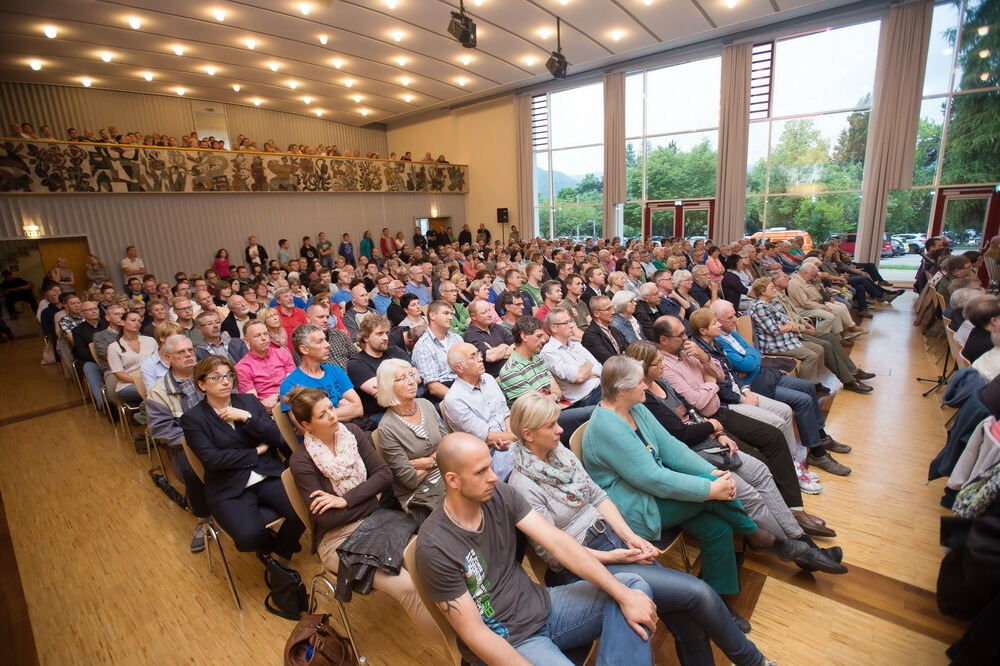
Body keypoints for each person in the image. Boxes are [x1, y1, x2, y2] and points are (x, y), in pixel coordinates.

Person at [507, 392, 777, 666]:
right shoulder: (522, 485)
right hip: (582, 565)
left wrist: (630, 538)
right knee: (697, 593)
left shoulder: (558, 453)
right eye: (551, 425)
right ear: (528, 434)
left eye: (557, 422)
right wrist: (617, 555)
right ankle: (753, 660)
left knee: (685, 615)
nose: (560, 430)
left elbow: (598, 496)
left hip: (612, 539)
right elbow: (554, 555)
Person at [414, 431, 659, 665]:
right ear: (453, 480)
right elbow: (475, 634)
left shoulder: (497, 493)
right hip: (512, 640)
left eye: (490, 466)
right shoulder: (435, 547)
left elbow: (556, 542)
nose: (493, 477)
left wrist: (623, 595)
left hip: (543, 605)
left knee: (632, 588)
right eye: (480, 472)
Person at [582, 356, 769, 616]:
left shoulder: (634, 407)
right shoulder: (606, 426)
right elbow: (653, 479)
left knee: (717, 527)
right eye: (639, 383)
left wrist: (710, 472)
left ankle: (718, 602)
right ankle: (754, 532)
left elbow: (671, 448)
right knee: (714, 497)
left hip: (656, 491)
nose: (646, 386)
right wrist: (710, 489)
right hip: (634, 507)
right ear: (622, 390)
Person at [625, 341, 845, 556]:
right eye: (658, 363)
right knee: (748, 491)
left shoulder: (662, 383)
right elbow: (680, 432)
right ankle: (800, 549)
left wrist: (718, 433)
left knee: (761, 470)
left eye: (662, 360)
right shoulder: (644, 400)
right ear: (642, 369)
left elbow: (694, 407)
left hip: (707, 433)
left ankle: (797, 528)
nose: (663, 365)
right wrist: (712, 420)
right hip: (691, 450)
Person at [181, 356, 304, 565]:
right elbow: (213, 460)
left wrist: (247, 417)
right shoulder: (193, 419)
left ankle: (277, 556)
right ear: (201, 384)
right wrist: (256, 451)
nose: (226, 381)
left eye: (229, 376)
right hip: (228, 486)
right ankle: (268, 545)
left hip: (267, 474)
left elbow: (276, 437)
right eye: (216, 377)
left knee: (304, 511)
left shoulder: (247, 402)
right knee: (248, 539)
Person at [145, 334, 210, 553]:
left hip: (221, 434)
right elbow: (162, 429)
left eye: (190, 350)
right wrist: (198, 439)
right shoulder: (159, 391)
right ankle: (203, 519)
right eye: (181, 352)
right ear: (168, 358)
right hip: (188, 445)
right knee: (192, 471)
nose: (189, 355)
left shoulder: (209, 375)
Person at [374, 359, 447, 520]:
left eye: (411, 375)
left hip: (446, 475)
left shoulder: (426, 405)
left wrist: (428, 461)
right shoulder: (387, 428)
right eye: (402, 378)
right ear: (388, 386)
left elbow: (448, 445)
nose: (411, 382)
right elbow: (410, 480)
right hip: (419, 496)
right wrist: (439, 456)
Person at [441, 343, 517, 479]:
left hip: (509, 439)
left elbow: (505, 413)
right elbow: (485, 436)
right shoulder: (455, 399)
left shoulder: (488, 379)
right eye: (473, 357)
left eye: (479, 354)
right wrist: (520, 436)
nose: (480, 359)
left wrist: (512, 435)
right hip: (488, 454)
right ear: (459, 368)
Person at [746, 278, 826, 383]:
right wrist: (790, 326)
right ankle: (804, 386)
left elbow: (787, 320)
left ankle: (814, 382)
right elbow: (774, 330)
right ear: (762, 291)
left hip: (787, 340)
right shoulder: (760, 307)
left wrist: (791, 325)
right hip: (774, 345)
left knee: (819, 349)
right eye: (771, 288)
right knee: (811, 356)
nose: (775, 290)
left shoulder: (773, 303)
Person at [280, 324, 363, 421]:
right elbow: (305, 426)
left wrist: (322, 415)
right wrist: (344, 411)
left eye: (325, 339)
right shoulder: (291, 385)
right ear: (304, 349)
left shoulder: (335, 370)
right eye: (320, 341)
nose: (327, 345)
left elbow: (358, 409)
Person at [541, 307, 603, 408]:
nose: (572, 325)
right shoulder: (549, 352)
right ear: (554, 328)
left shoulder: (576, 344)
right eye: (566, 322)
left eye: (571, 321)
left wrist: (583, 371)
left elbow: (599, 368)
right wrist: (588, 367)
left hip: (601, 388)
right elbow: (578, 377)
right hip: (585, 400)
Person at [235, 320, 295, 410]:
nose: (264, 338)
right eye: (257, 335)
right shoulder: (242, 367)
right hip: (268, 411)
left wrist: (277, 395)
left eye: (265, 334)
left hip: (292, 400)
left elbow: (295, 384)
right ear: (247, 341)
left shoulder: (283, 354)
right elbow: (253, 402)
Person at [411, 300, 463, 401]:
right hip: (445, 393)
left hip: (465, 384)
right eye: (446, 313)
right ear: (432, 316)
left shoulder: (457, 338)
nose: (451, 318)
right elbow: (434, 387)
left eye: (451, 314)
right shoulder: (423, 346)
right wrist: (461, 400)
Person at [463, 299, 514, 377]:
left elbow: (517, 344)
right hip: (495, 377)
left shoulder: (495, 326)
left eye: (489, 311)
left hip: (512, 369)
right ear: (473, 316)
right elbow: (490, 357)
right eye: (484, 313)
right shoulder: (470, 335)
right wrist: (504, 346)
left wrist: (497, 352)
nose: (489, 314)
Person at [581, 295, 628, 363]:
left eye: (612, 308)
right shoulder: (591, 336)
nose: (613, 312)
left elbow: (626, 349)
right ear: (596, 313)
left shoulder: (613, 330)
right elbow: (609, 360)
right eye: (608, 309)